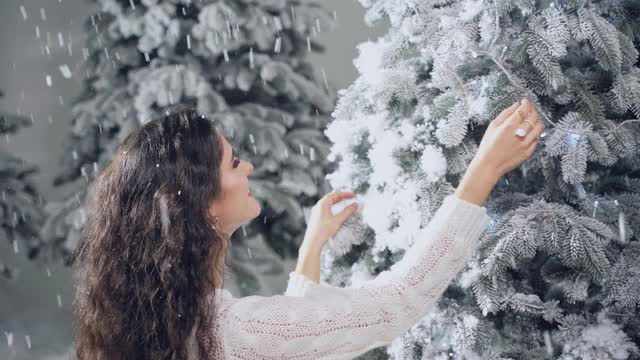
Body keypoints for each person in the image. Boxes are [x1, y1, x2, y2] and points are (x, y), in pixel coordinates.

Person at [71, 100, 543, 359]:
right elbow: (397, 304)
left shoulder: (170, 325)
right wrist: (482, 173)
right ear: (200, 203)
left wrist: (312, 249)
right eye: (234, 162)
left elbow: (289, 343)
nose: (249, 165)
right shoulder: (227, 329)